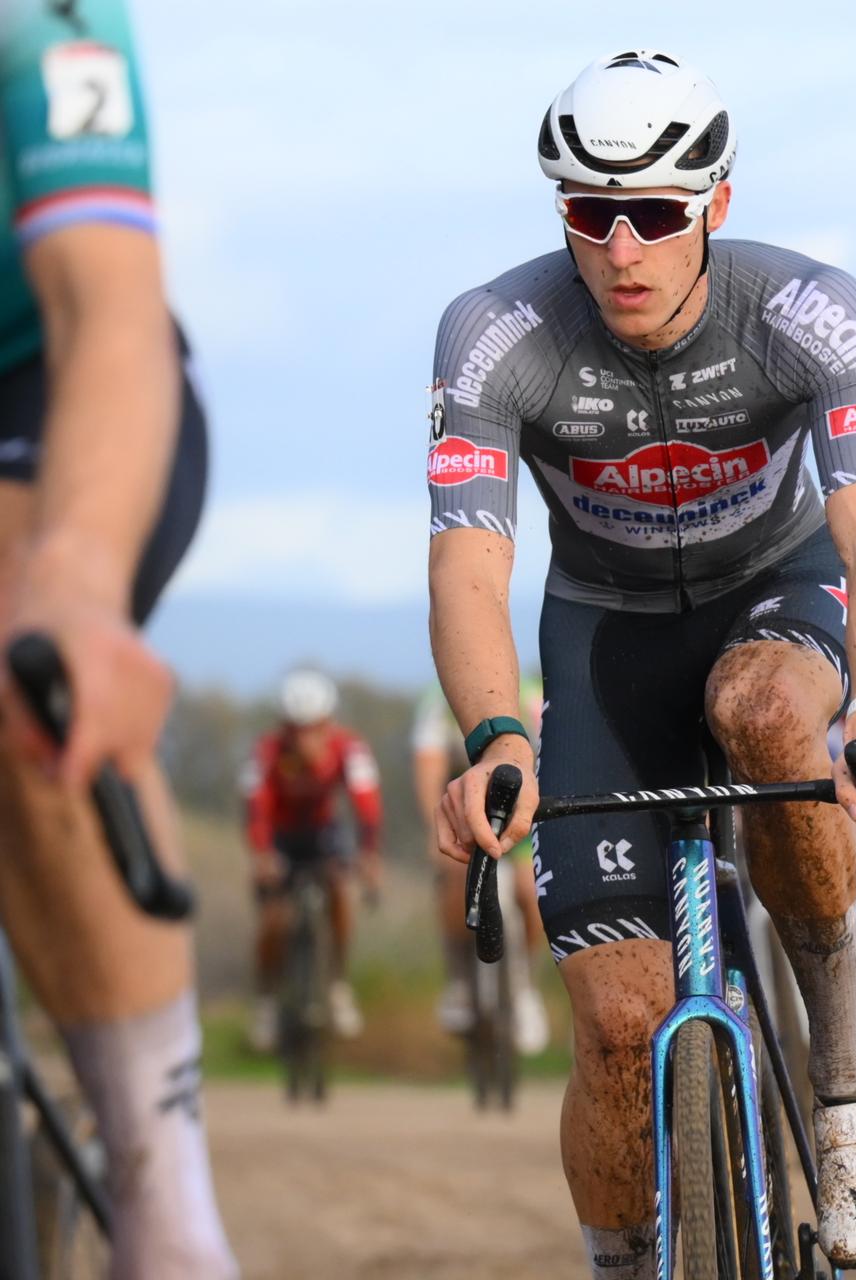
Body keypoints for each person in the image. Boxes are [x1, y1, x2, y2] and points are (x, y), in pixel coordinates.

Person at [426, 50, 856, 1276]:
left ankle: (845, 1086)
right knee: (614, 1027)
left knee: (763, 706)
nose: (619, 248)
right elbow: (469, 564)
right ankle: (620, 1258)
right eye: (587, 215)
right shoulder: (497, 334)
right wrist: (497, 736)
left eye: (652, 213)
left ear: (713, 200)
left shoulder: (809, 309)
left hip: (777, 589)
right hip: (605, 631)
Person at [0, 3, 237, 1274]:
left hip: (54, 387)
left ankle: (165, 1215)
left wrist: (73, 580)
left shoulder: (41, 24)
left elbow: (108, 309)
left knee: (15, 638)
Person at [241, 668, 384, 1051]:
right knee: (272, 919)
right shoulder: (267, 752)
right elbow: (255, 808)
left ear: (328, 722)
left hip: (324, 835)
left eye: (314, 728)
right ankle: (267, 1003)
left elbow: (366, 805)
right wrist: (261, 855)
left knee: (341, 890)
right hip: (280, 838)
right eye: (296, 729)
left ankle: (337, 982)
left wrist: (369, 857)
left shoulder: (349, 749)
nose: (305, 738)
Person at [413, 675, 550, 1053]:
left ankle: (525, 990)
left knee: (529, 888)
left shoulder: (532, 697)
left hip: (519, 812)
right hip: (464, 813)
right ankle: (458, 981)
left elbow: (551, 762)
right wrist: (432, 826)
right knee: (455, 876)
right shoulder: (437, 703)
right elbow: (428, 767)